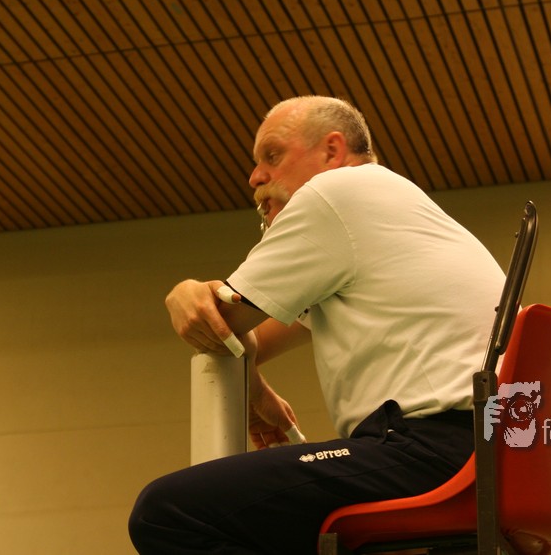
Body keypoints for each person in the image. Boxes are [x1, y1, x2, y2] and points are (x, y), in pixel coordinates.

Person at [129, 96, 505, 554]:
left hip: (429, 449)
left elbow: (215, 323)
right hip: (491, 456)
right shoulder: (393, 213)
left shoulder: (338, 193)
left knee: (168, 512)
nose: (255, 177)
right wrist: (256, 392)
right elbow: (243, 341)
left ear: (332, 151)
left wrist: (183, 292)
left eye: (272, 155)